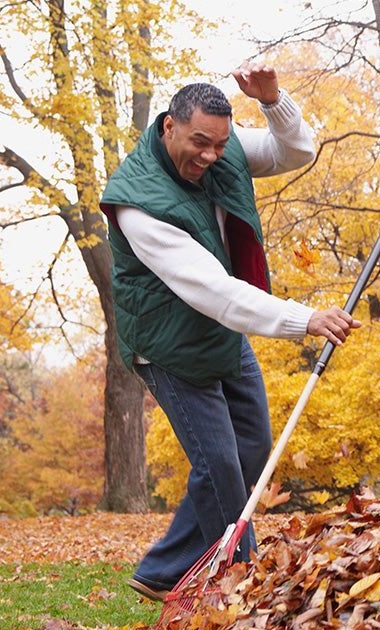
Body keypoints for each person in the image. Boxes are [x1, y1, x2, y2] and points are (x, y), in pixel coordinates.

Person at [100, 63, 361, 602]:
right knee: (219, 464)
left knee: (251, 449)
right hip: (168, 342)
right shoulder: (136, 202)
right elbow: (213, 290)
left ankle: (162, 569)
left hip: (223, 328)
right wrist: (303, 319)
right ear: (169, 125)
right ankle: (240, 582)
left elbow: (296, 152)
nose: (211, 156)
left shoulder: (220, 146)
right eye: (200, 142)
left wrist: (273, 101)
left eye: (220, 144)